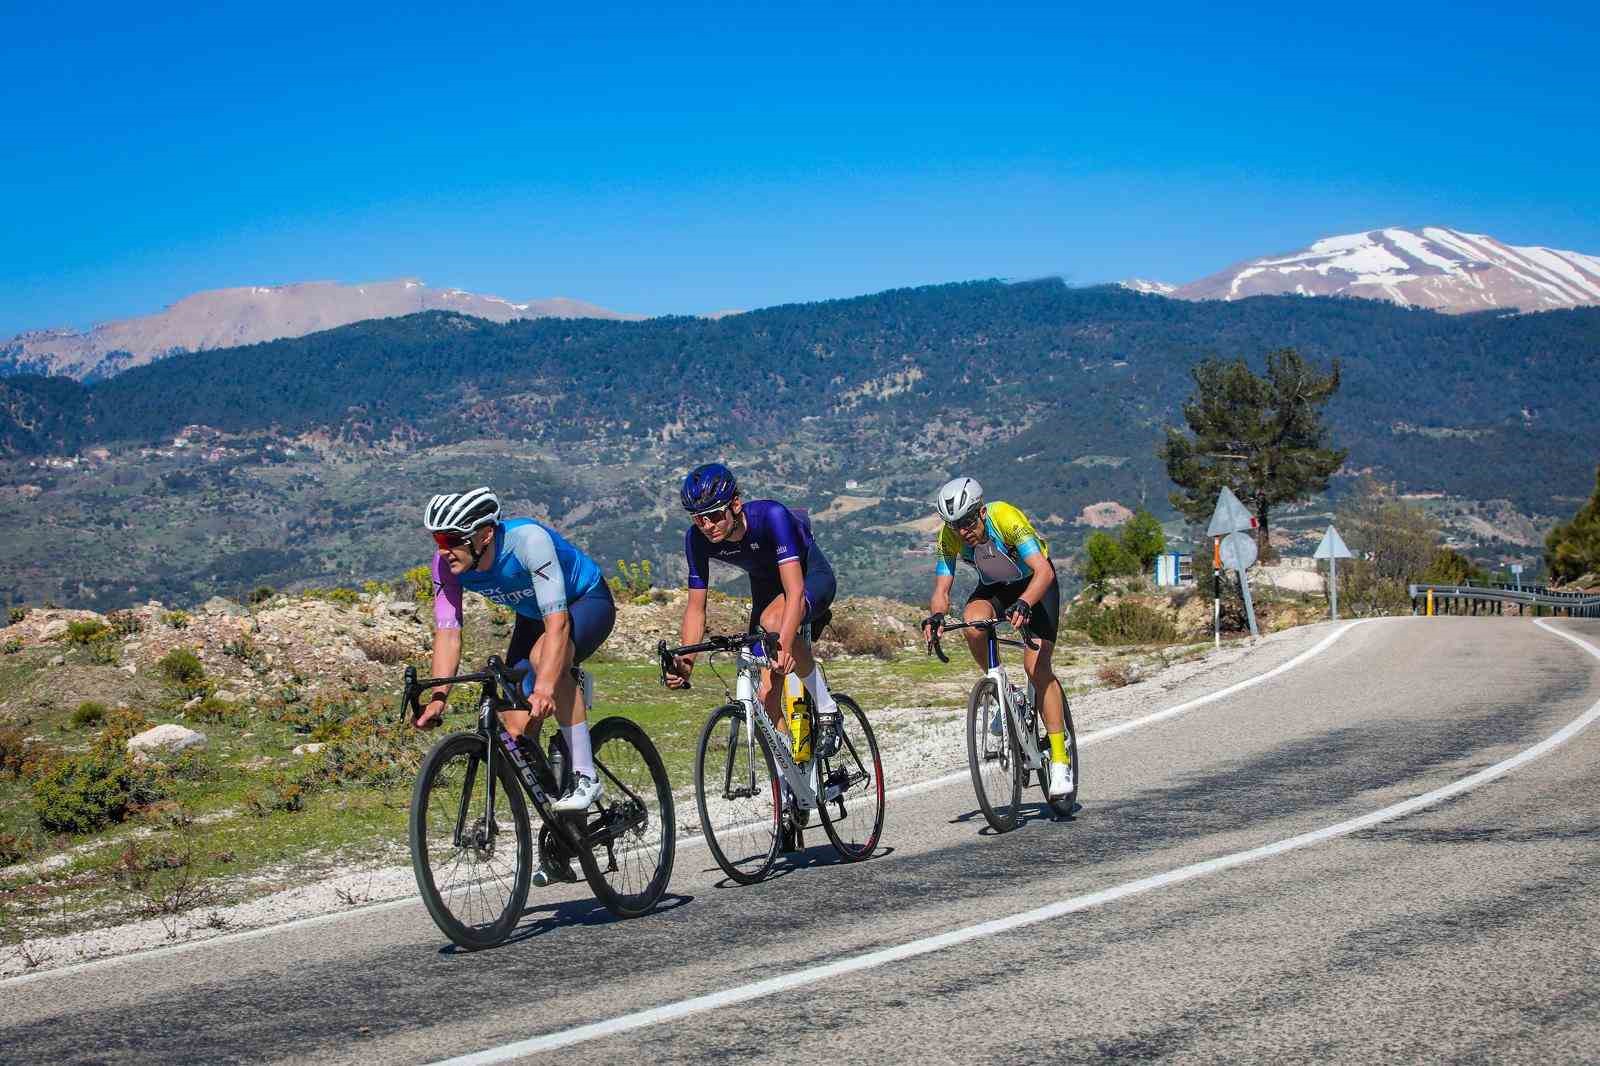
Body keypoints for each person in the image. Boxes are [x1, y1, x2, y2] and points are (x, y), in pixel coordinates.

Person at [417, 487, 615, 828]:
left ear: (485, 535)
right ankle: (563, 828)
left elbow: (558, 623)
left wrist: (547, 686)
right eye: (438, 539)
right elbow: (448, 633)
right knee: (515, 728)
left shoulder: (528, 542)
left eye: (452, 538)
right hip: (533, 615)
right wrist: (438, 699)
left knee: (545, 662)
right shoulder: (445, 565)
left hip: (584, 601)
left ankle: (586, 777)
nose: (444, 550)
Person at [663, 463, 838, 841]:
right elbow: (696, 608)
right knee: (766, 694)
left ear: (736, 505)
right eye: (698, 519)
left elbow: (793, 592)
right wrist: (687, 661)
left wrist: (788, 642)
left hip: (808, 579)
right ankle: (791, 790)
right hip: (764, 587)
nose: (707, 526)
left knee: (778, 627)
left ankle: (827, 707)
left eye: (713, 516)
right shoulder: (697, 540)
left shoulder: (771, 516)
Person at [920, 476, 1073, 797]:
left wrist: (1026, 602)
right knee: (973, 622)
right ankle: (1008, 694)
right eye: (954, 524)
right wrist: (935, 616)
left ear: (982, 512)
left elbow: (1043, 570)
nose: (962, 530)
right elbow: (941, 589)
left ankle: (1059, 759)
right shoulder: (950, 537)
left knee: (1037, 668)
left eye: (967, 521)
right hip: (996, 587)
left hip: (1035, 585)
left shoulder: (1005, 517)